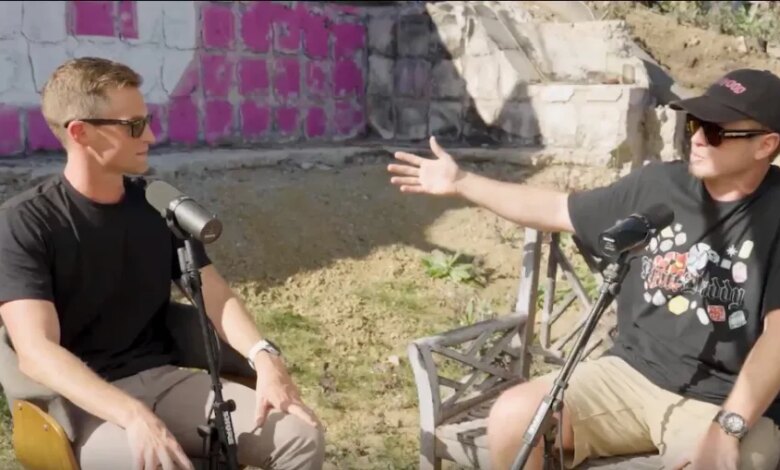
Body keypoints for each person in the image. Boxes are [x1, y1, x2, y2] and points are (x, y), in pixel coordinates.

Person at [388, 68, 780, 470]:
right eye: (695, 123)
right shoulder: (659, 185)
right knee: (515, 415)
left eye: (715, 132)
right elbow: (557, 209)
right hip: (628, 375)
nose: (697, 139)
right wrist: (462, 181)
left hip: (722, 399)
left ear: (765, 145)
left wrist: (728, 427)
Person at [0, 57, 324, 469]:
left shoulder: (156, 204)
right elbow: (36, 351)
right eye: (133, 125)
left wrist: (264, 356)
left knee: (300, 435)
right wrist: (133, 416)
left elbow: (216, 295)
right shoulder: (24, 222)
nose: (150, 135)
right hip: (83, 404)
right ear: (81, 133)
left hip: (163, 379)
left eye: (147, 120)